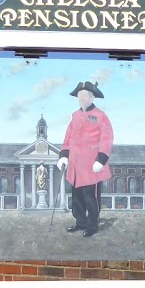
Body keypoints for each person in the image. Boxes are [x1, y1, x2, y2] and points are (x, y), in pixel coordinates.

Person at [56, 80, 113, 237]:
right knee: (77, 197)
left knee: (91, 198)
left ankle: (92, 225)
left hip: (91, 165)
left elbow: (107, 139)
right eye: (79, 96)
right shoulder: (75, 116)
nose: (82, 99)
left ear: (92, 97)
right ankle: (80, 222)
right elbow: (68, 137)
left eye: (85, 96)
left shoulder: (100, 116)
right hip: (75, 165)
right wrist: (64, 155)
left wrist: (101, 159)